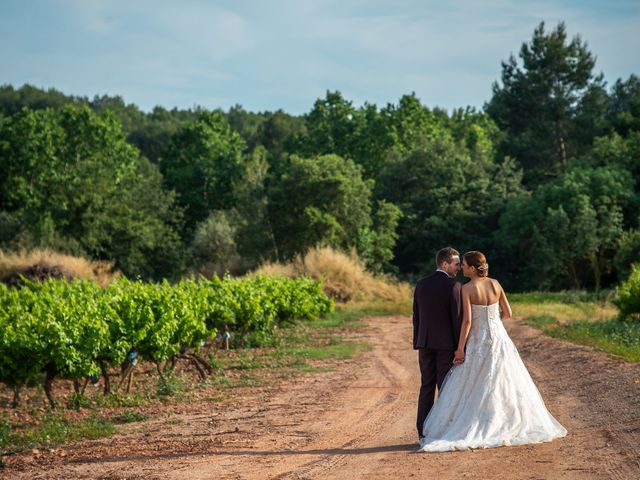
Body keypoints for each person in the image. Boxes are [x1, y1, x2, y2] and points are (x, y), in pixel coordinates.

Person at [417, 251, 567, 452]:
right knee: (501, 382)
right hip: (499, 338)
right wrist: (493, 325)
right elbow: (508, 312)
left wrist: (460, 348)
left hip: (479, 341)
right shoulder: (496, 284)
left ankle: (471, 423)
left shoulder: (467, 288)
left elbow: (468, 321)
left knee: (476, 382)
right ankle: (505, 421)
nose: (461, 267)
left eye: (463, 265)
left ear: (471, 268)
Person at [413, 247, 462, 443]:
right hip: (445, 345)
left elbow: (416, 315)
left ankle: (422, 430)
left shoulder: (421, 284)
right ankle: (441, 430)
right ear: (445, 264)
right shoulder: (453, 286)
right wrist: (461, 347)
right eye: (456, 263)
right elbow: (457, 319)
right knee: (445, 387)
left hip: (424, 343)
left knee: (426, 385)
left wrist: (418, 339)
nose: (458, 267)